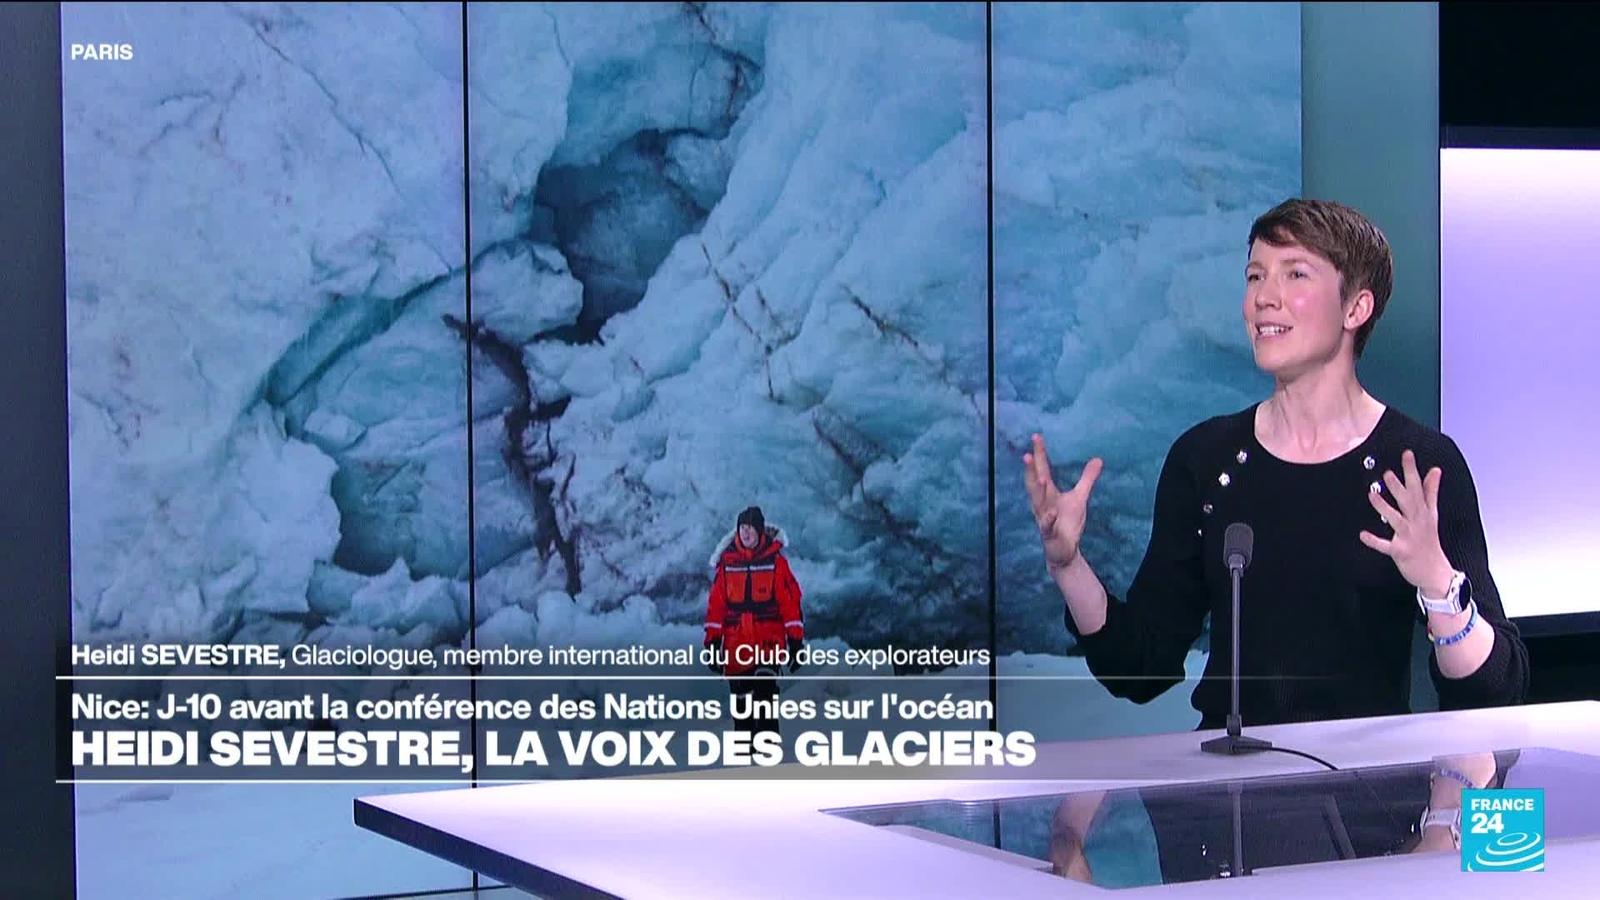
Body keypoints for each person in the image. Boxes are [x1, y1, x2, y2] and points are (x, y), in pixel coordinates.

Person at [1023, 198, 1529, 729]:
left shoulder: (1417, 465)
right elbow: (1140, 668)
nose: (1264, 298)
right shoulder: (1207, 460)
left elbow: (1496, 690)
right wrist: (1067, 565)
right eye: (1255, 276)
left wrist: (1438, 581)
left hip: (1367, 776)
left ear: (1356, 308)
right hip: (1228, 775)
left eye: (1295, 274)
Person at [704, 506, 804, 736]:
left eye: (750, 528)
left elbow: (790, 604)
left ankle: (767, 748)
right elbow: (716, 608)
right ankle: (744, 750)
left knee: (764, 696)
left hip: (768, 642)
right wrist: (712, 644)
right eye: (742, 528)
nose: (746, 533)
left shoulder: (776, 563)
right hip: (736, 644)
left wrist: (796, 642)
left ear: (759, 531)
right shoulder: (727, 564)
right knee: (742, 706)